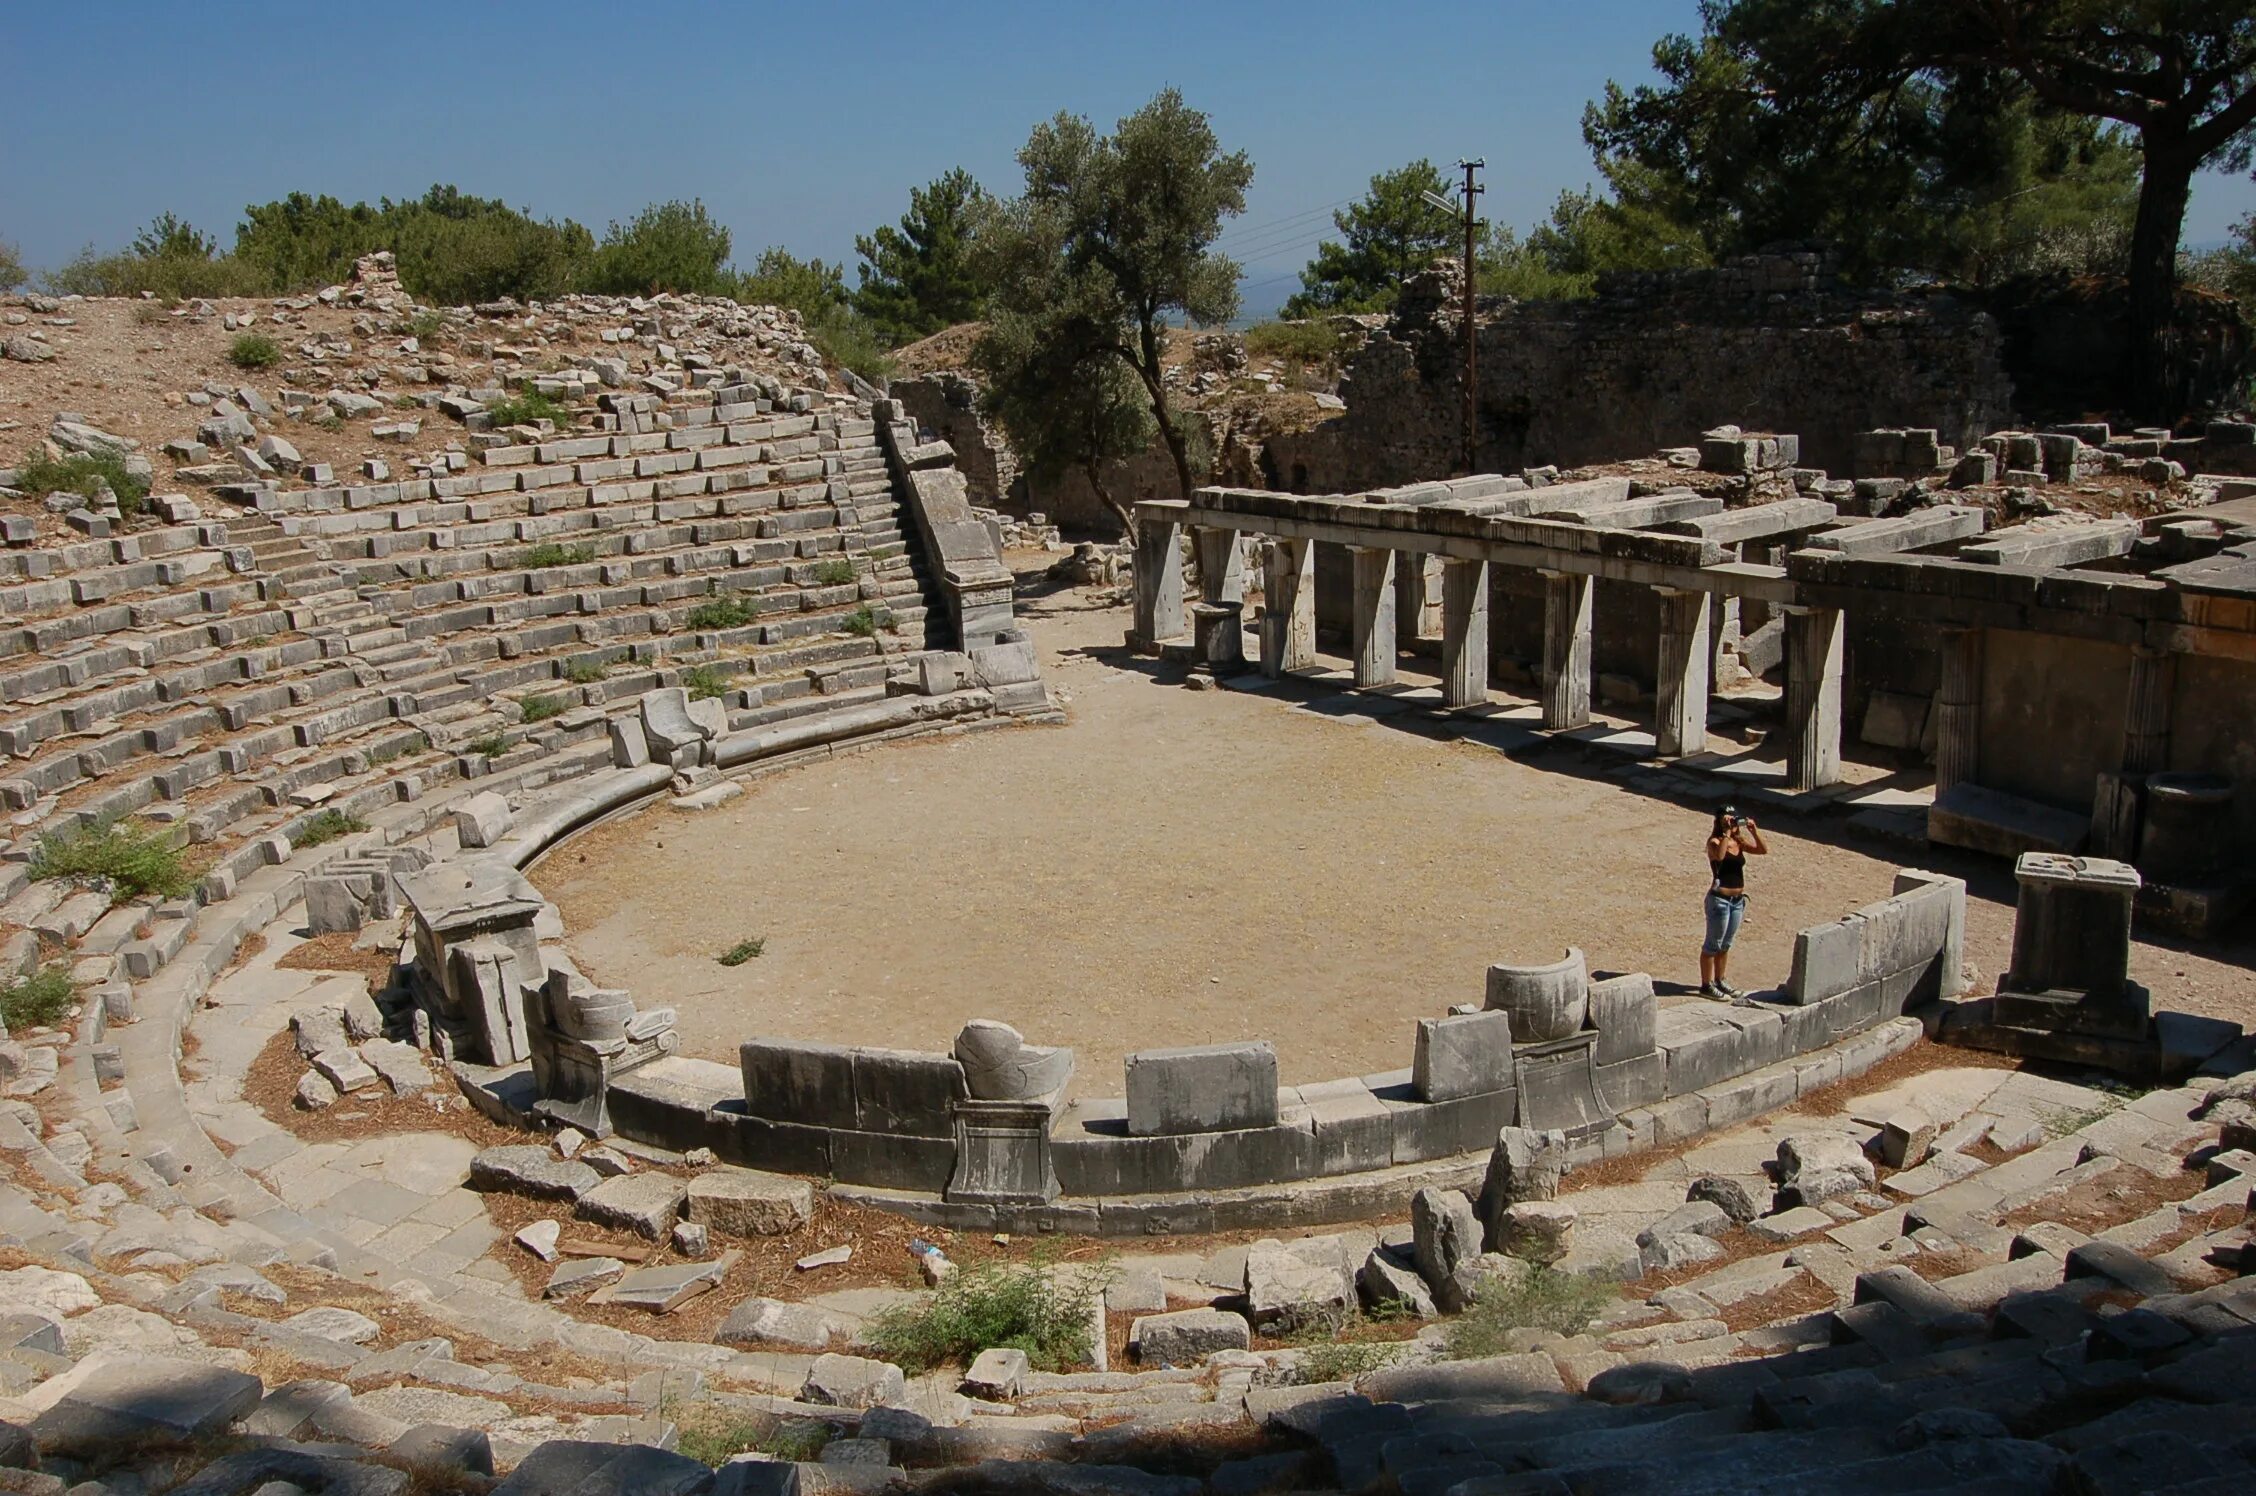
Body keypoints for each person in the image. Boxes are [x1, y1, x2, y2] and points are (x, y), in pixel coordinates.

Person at [1701, 806, 1767, 998]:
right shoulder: (1715, 842)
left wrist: (1754, 831)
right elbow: (1720, 857)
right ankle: (1706, 984)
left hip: (1737, 901)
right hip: (1719, 901)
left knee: (1726, 944)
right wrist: (1726, 834)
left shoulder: (1740, 843)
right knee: (1713, 944)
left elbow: (1763, 850)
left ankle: (1720, 980)